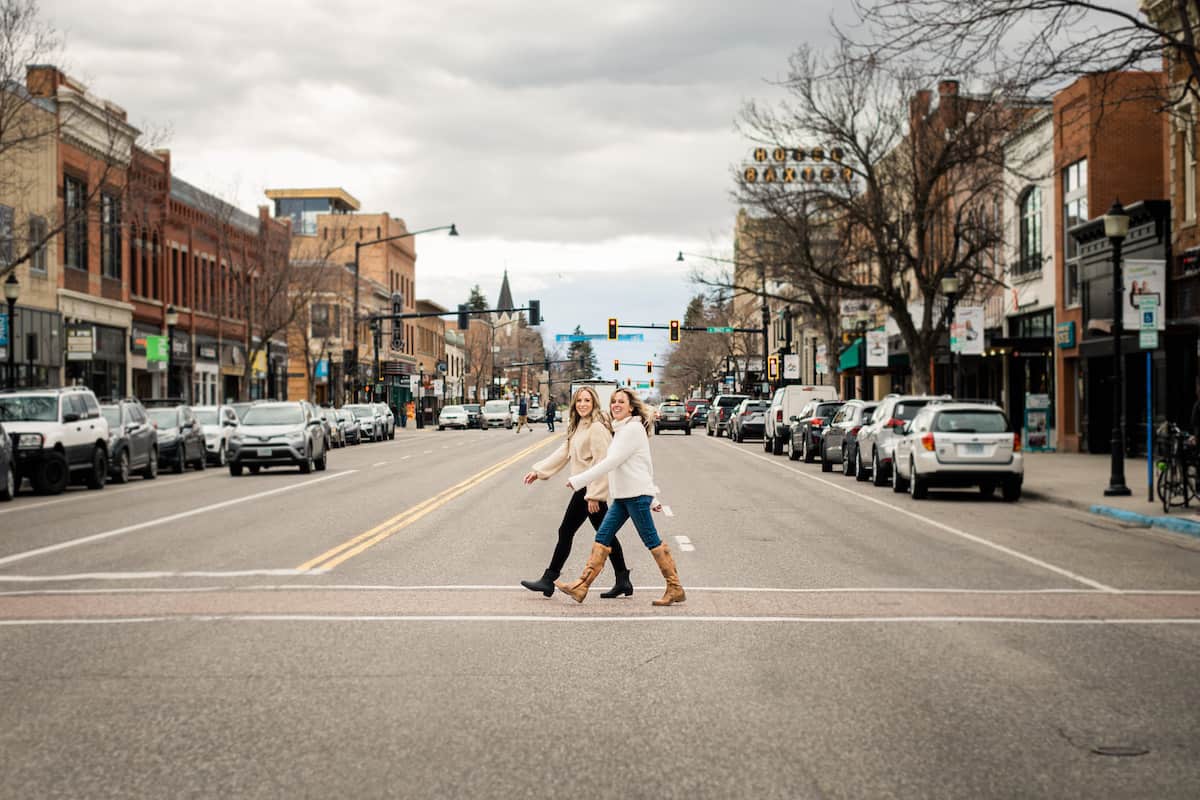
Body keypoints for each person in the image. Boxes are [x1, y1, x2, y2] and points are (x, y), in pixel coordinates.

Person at [557, 388, 685, 606]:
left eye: (621, 402)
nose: (616, 405)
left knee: (651, 541)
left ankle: (675, 588)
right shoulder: (622, 429)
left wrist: (580, 480)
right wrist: (653, 496)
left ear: (631, 407)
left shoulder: (632, 430)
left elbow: (610, 462)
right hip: (624, 498)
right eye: (613, 402)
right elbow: (642, 466)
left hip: (635, 497)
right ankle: (581, 586)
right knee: (602, 537)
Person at [520, 386, 632, 598]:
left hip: (589, 490)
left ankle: (548, 579)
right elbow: (564, 453)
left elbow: (603, 462)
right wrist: (539, 471)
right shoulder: (578, 425)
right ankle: (623, 579)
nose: (582, 404)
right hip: (585, 488)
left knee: (569, 532)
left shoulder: (597, 428)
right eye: (579, 400)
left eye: (587, 401)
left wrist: (595, 495)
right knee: (604, 535)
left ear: (594, 403)